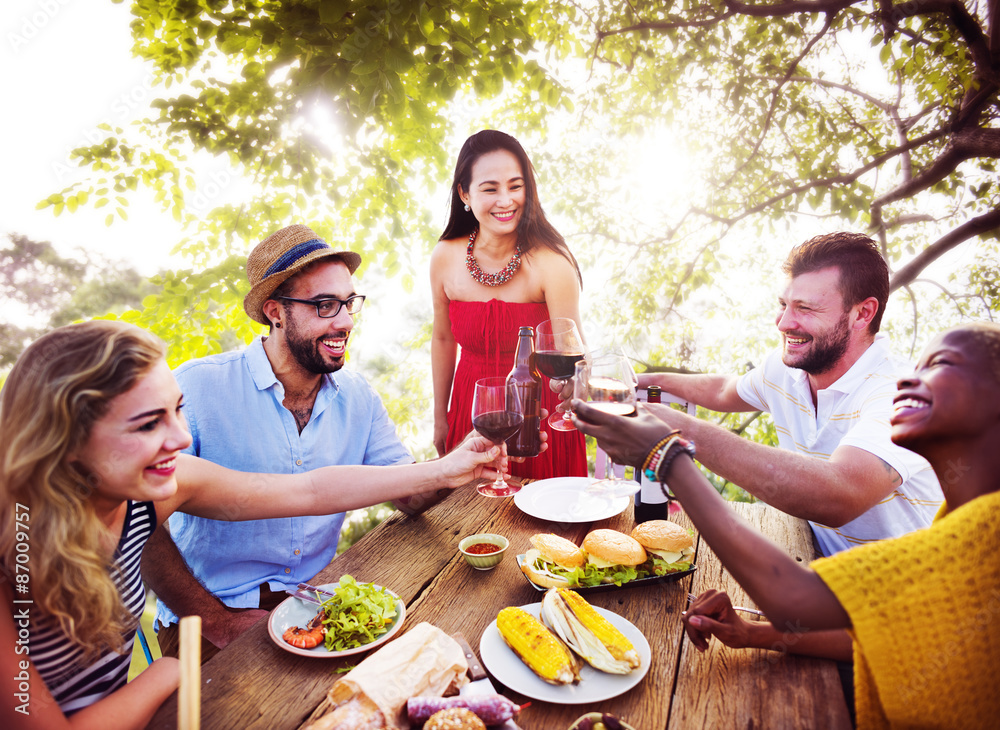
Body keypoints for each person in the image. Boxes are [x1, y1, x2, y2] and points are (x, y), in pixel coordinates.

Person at [0, 320, 501, 728]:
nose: (179, 437)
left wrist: (447, 467)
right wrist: (172, 669)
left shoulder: (147, 493)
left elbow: (308, 491)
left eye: (177, 411)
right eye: (147, 424)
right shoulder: (13, 548)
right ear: (64, 440)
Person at [572, 321, 1000, 728]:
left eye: (940, 363)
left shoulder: (988, 534)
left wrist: (667, 457)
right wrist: (752, 633)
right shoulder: (958, 524)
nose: (909, 378)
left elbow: (792, 597)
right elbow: (884, 634)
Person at [142, 224, 512, 662]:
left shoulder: (358, 397)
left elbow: (410, 494)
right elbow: (141, 524)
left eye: (349, 303)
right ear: (275, 312)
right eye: (324, 305)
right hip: (204, 615)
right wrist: (215, 620)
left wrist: (458, 466)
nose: (345, 321)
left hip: (314, 604)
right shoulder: (198, 389)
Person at [634, 232, 941, 555]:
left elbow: (840, 495)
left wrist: (675, 431)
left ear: (862, 314)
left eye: (805, 308)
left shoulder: (903, 394)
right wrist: (641, 381)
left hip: (909, 592)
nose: (783, 323)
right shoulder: (787, 371)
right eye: (784, 305)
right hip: (822, 571)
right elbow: (724, 389)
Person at [430, 129, 587, 479]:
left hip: (537, 419)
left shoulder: (552, 263)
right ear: (464, 194)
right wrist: (441, 416)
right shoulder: (444, 257)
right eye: (490, 189)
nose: (506, 200)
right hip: (472, 413)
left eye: (516, 187)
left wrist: (577, 390)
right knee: (468, 524)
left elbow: (572, 352)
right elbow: (442, 339)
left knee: (539, 528)